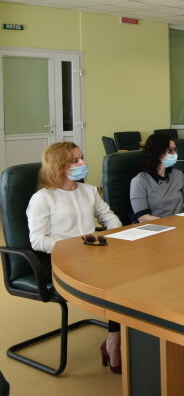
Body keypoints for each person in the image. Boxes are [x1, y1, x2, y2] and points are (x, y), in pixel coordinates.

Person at [26, 142, 124, 373]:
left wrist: (114, 233)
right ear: (59, 166)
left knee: (131, 275)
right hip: (60, 261)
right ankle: (114, 344)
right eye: (75, 160)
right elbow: (37, 240)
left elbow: (110, 217)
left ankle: (115, 338)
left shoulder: (88, 191)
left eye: (82, 158)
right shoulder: (43, 198)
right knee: (118, 283)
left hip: (92, 255)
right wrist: (73, 248)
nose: (83, 163)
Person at [130, 133, 184, 223]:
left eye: (175, 150)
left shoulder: (178, 175)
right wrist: (169, 224)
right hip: (157, 227)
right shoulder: (140, 181)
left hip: (180, 224)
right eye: (171, 150)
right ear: (158, 152)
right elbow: (143, 217)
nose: (175, 154)